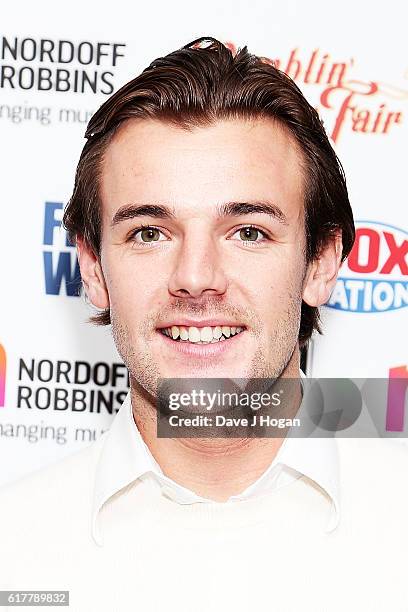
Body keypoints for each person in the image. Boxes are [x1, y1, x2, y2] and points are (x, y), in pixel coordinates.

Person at [0, 36, 407, 611]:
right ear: (93, 268)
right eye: (149, 232)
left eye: (248, 232)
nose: (196, 278)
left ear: (320, 264)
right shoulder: (12, 554)